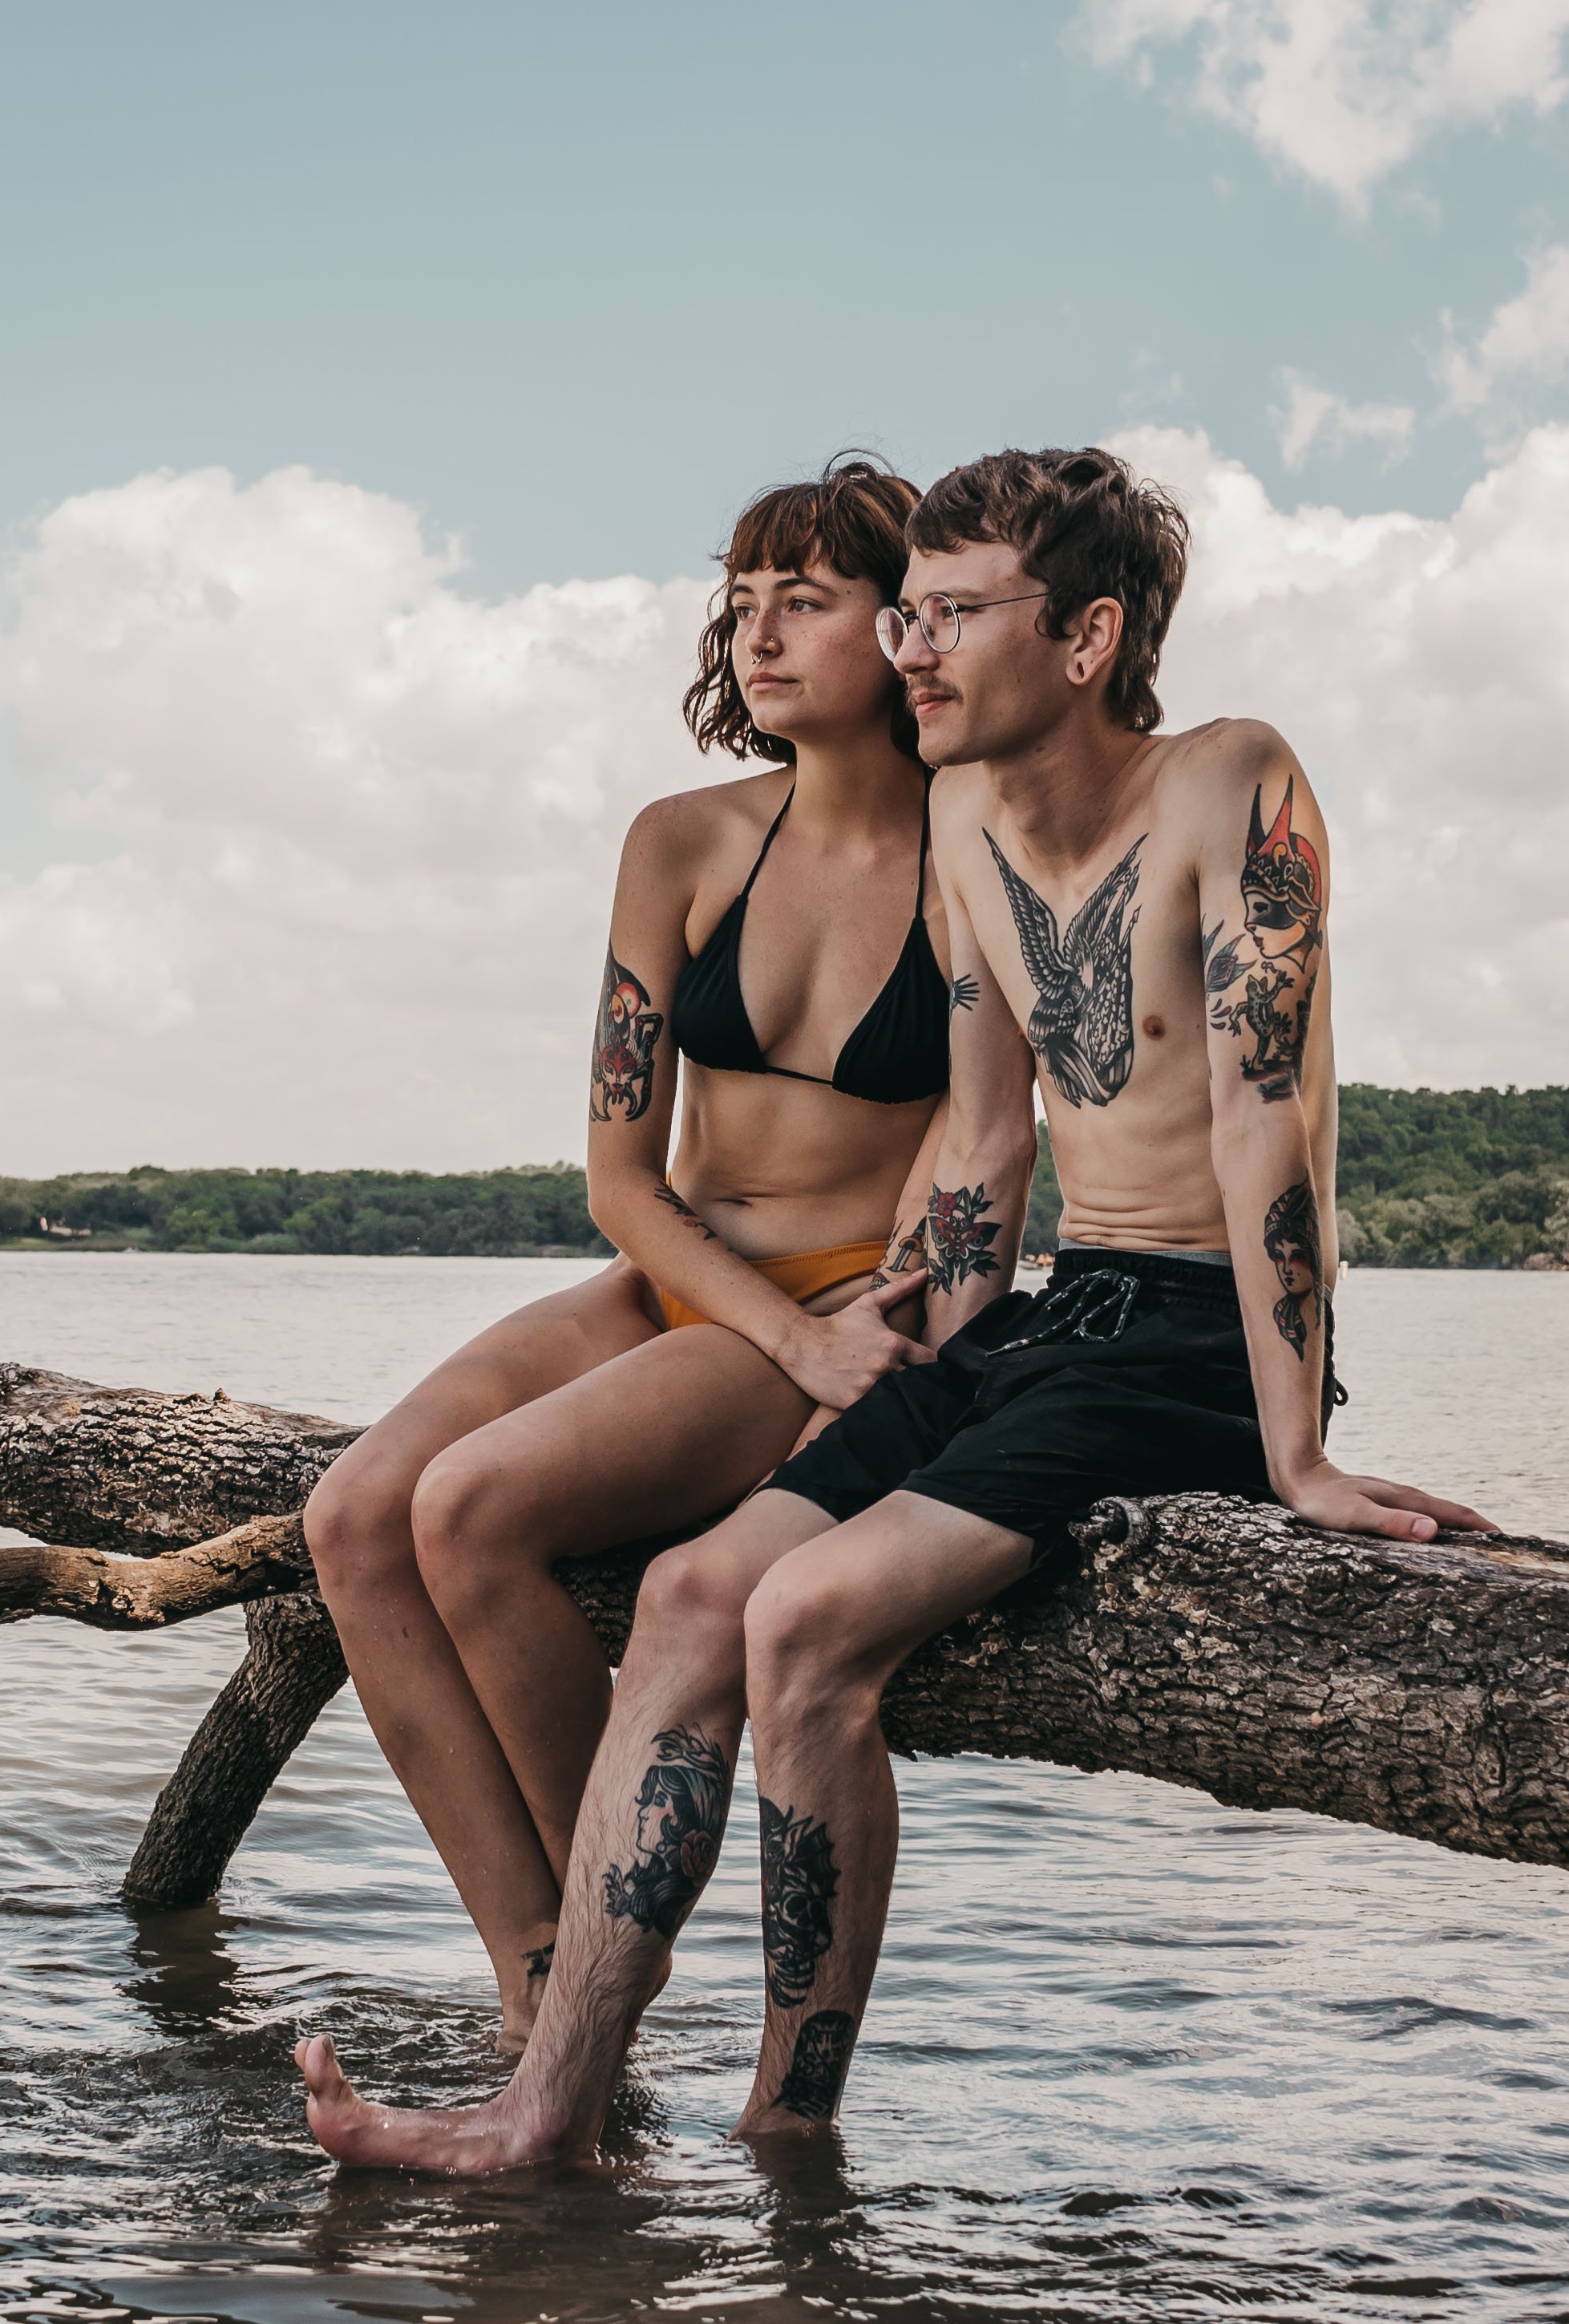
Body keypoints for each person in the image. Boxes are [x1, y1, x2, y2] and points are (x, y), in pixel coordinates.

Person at [294, 443, 1496, 2168]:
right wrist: (911, 1353)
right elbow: (990, 1139)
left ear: (1084, 638)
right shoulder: (962, 818)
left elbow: (1265, 1123)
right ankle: (547, 2101)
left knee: (798, 1625)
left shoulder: (1232, 777)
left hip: (1190, 1334)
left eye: (945, 613)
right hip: (1040, 1312)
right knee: (706, 1590)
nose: (913, 646)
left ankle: (786, 2132)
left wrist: (1298, 1450)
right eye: (909, 612)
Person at [301, 456, 973, 2052]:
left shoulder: (980, 859)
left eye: (803, 602)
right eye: (741, 605)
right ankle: (539, 1965)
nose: (759, 635)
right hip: (674, 1275)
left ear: (903, 628)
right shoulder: (679, 843)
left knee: (469, 1510)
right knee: (350, 1514)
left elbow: (976, 1167)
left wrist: (828, 1362)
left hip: (817, 1305)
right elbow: (618, 1172)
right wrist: (779, 1338)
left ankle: (602, 1962)